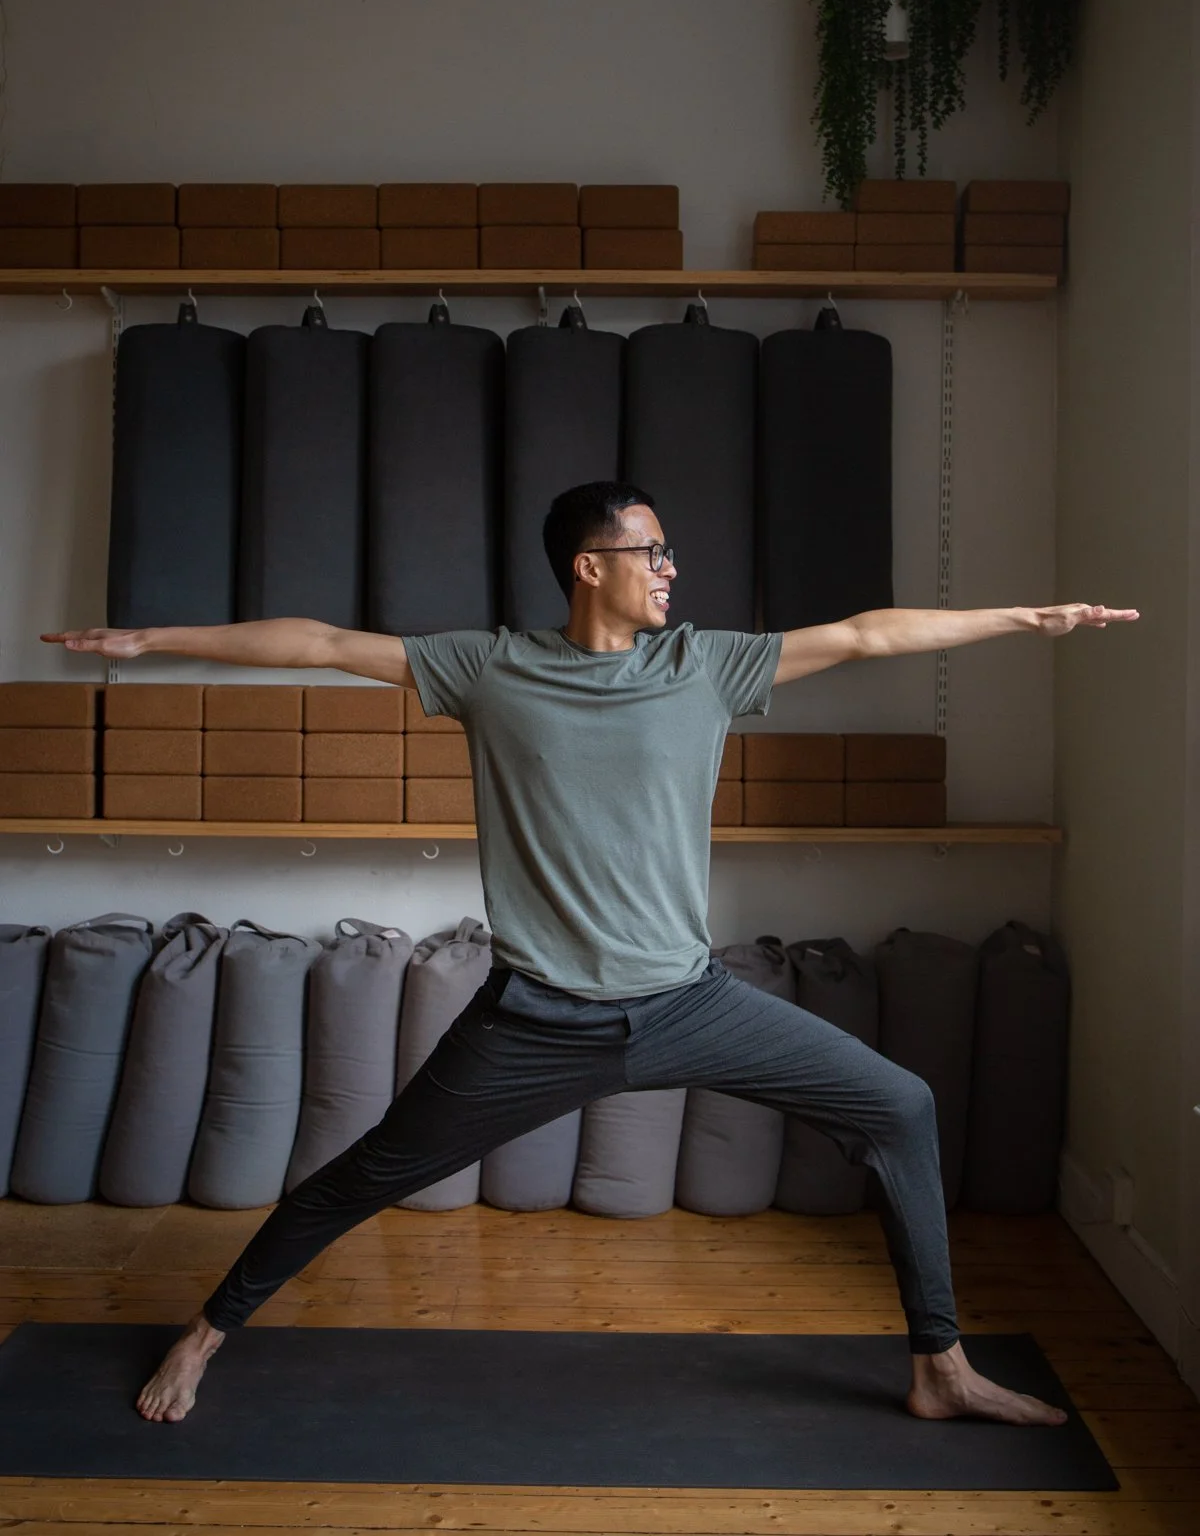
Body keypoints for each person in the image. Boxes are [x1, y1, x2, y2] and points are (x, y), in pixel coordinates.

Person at [46, 480, 1137, 1428]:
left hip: (691, 1002)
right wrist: (152, 641)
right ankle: (205, 1332)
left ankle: (941, 1369)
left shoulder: (705, 667)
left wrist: (1024, 618)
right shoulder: (488, 668)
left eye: (668, 551)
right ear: (588, 565)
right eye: (651, 550)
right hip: (537, 1020)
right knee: (365, 1177)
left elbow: (863, 635)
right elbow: (326, 644)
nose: (671, 568)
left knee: (900, 1105)